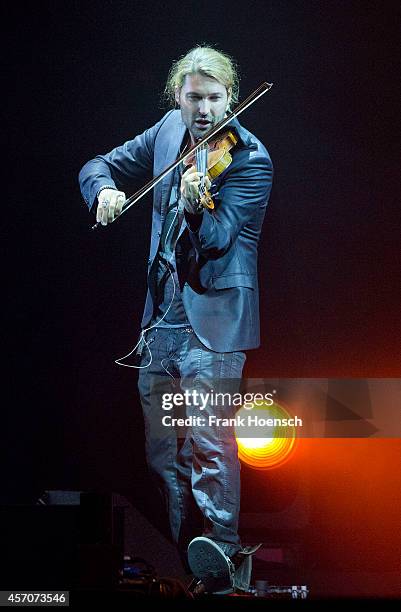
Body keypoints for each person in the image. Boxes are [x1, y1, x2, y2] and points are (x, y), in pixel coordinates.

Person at [78, 45, 273, 595]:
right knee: (166, 456)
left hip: (211, 328)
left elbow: (216, 241)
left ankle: (226, 562)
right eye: (194, 98)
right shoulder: (166, 131)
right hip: (159, 325)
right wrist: (106, 191)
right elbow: (97, 164)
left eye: (215, 98)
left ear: (231, 98)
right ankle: (192, 567)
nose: (205, 110)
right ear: (178, 99)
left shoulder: (249, 159)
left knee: (210, 446)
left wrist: (194, 205)